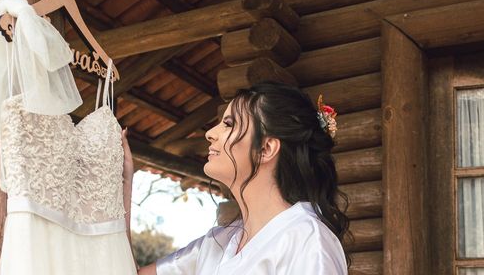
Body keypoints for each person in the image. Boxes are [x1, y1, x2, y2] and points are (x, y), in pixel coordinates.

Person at [129, 81, 348, 275]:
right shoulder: (216, 243)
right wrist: (122, 182)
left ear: (266, 148)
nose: (210, 133)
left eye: (229, 124)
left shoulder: (307, 240)